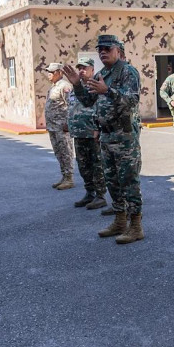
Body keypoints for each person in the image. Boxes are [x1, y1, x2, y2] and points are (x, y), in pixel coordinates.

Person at [64, 34, 144, 244]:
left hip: (124, 136)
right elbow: (89, 101)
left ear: (118, 50)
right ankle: (119, 220)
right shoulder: (102, 73)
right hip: (106, 136)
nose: (103, 52)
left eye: (108, 48)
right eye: (100, 49)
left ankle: (135, 225)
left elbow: (132, 101)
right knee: (112, 181)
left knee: (129, 181)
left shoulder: (128, 72)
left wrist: (108, 91)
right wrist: (77, 85)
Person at [68, 57, 108, 210]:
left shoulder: (96, 86)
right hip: (78, 133)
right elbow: (72, 106)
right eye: (80, 68)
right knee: (83, 166)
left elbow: (102, 108)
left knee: (97, 165)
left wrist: (98, 128)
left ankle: (100, 195)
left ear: (92, 69)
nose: (81, 71)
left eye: (85, 68)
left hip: (92, 133)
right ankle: (89, 193)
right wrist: (68, 121)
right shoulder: (75, 87)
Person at [45, 62, 75, 190]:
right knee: (58, 152)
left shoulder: (65, 86)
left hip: (62, 127)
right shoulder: (53, 87)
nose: (49, 75)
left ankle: (69, 178)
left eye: (52, 72)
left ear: (60, 73)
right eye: (48, 72)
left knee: (66, 152)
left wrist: (68, 123)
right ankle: (64, 176)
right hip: (53, 126)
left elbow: (71, 105)